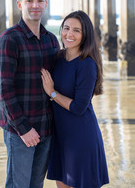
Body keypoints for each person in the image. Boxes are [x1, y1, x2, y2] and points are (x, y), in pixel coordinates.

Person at [0, 0, 59, 188]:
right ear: (20, 4)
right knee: (18, 185)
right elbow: (4, 90)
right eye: (29, 0)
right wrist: (23, 128)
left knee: (36, 185)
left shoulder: (51, 40)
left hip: (45, 128)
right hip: (19, 130)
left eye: (40, 0)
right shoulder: (9, 39)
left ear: (45, 4)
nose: (35, 5)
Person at [41, 10, 109, 188]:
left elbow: (79, 107)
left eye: (76, 30)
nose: (69, 34)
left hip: (81, 137)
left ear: (85, 34)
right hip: (61, 136)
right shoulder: (59, 58)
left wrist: (52, 93)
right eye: (66, 28)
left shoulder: (87, 64)